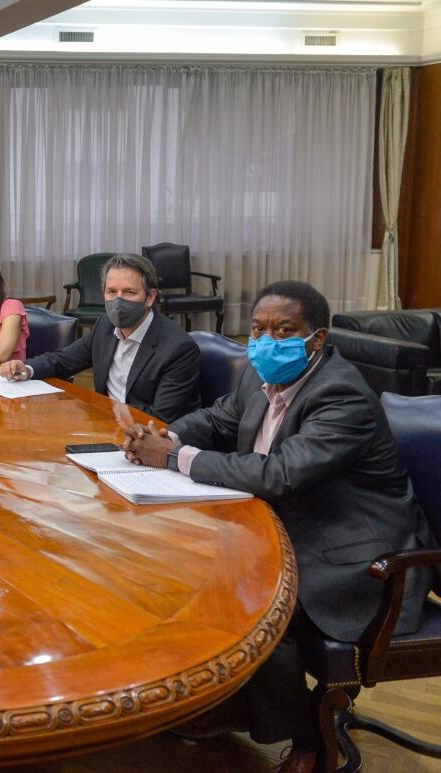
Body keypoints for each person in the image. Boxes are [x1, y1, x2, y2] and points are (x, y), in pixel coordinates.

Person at [123, 281, 436, 773]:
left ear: (317, 339)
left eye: (283, 330)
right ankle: (232, 704)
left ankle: (309, 742)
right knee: (189, 570)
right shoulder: (258, 375)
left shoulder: (341, 394)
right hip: (293, 526)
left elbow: (280, 473)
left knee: (253, 604)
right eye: (258, 330)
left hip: (363, 560)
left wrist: (176, 458)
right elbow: (219, 418)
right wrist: (168, 433)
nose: (267, 341)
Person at [0, 253, 200, 423]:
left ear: (150, 297)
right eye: (111, 292)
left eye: (129, 292)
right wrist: (27, 368)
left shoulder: (178, 348)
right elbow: (64, 360)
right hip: (105, 426)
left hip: (145, 440)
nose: (118, 300)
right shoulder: (105, 325)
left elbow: (160, 420)